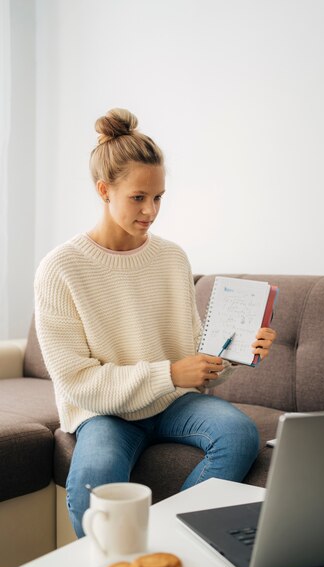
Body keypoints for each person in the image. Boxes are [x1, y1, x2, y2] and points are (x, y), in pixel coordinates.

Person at [34, 108, 277, 538]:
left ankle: (173, 541)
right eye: (138, 197)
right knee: (93, 484)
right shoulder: (61, 268)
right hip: (103, 411)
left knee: (240, 434)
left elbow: (191, 358)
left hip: (171, 401)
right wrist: (170, 372)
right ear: (104, 190)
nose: (151, 210)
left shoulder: (171, 258)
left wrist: (234, 355)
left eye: (159, 197)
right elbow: (76, 382)